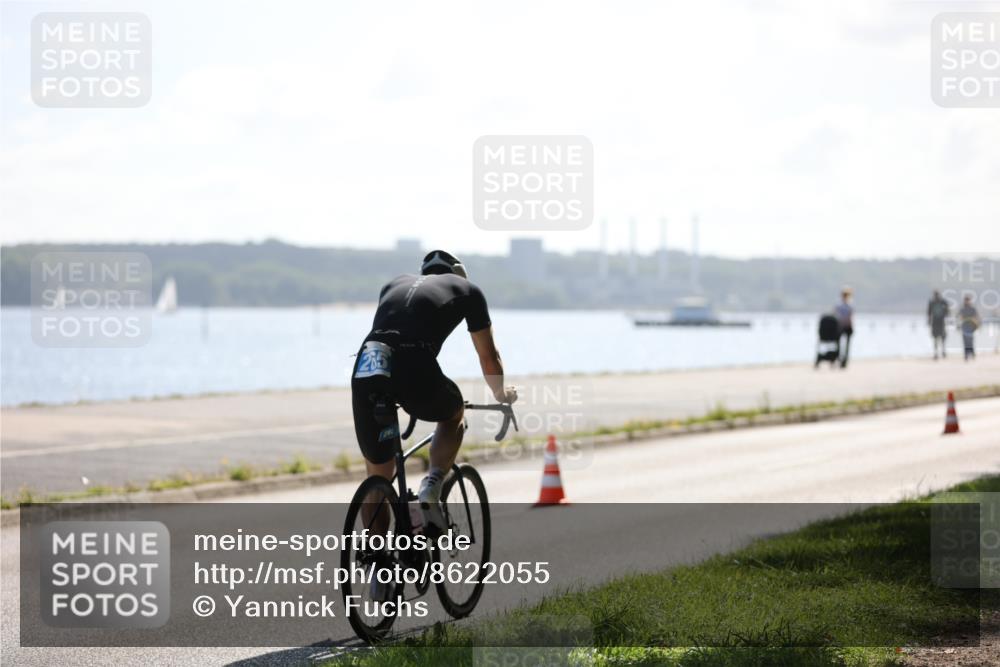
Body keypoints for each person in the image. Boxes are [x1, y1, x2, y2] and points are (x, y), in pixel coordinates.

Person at [351, 250, 517, 532]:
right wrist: (501, 394)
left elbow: (392, 331)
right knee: (453, 414)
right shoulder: (468, 290)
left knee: (378, 478)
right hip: (413, 364)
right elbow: (489, 357)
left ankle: (377, 555)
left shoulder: (393, 284)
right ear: (460, 275)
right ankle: (432, 485)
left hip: (368, 364)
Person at [833, 287, 854, 368]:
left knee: (845, 345)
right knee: (841, 344)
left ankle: (843, 360)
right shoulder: (842, 305)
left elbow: (850, 317)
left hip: (844, 326)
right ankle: (841, 359)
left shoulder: (846, 305)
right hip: (842, 326)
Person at [927, 290, 950, 360]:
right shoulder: (932, 302)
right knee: (936, 338)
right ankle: (937, 353)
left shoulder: (942, 302)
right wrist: (929, 321)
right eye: (935, 295)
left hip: (941, 322)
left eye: (936, 295)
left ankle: (942, 351)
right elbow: (929, 313)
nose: (936, 296)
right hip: (936, 322)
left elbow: (947, 311)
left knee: (942, 337)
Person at [958, 295, 981, 361]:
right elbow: (959, 317)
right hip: (964, 327)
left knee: (970, 341)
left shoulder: (972, 309)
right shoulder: (962, 309)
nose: (967, 302)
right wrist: (958, 325)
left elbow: (977, 317)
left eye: (968, 300)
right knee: (965, 341)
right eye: (966, 300)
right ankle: (966, 354)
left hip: (971, 327)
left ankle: (972, 353)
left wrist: (977, 325)